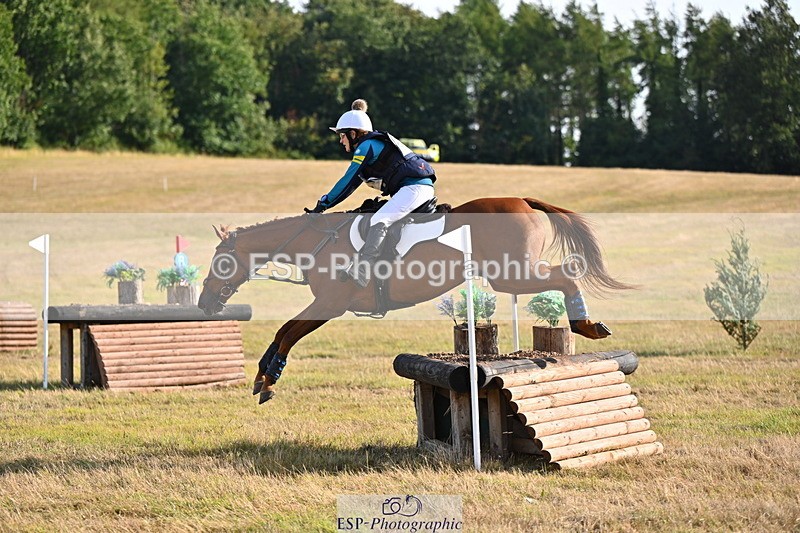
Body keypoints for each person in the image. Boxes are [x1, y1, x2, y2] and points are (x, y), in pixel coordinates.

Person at [305, 99, 437, 288]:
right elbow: (351, 186)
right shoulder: (369, 146)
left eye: (342, 136)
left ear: (352, 133)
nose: (340, 141)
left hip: (415, 188)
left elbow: (347, 180)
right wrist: (326, 204)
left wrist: (323, 204)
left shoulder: (365, 147)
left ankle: (363, 271)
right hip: (413, 187)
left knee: (379, 220)